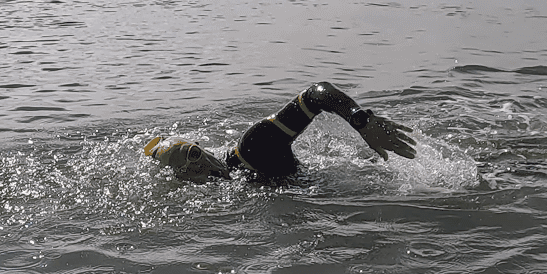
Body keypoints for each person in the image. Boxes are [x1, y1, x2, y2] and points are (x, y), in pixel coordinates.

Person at [143, 81, 416, 182]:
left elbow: (316, 94)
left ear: (200, 147)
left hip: (383, 174)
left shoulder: (254, 147)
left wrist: (362, 122)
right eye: (186, 172)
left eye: (194, 155)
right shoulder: (228, 184)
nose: (201, 168)